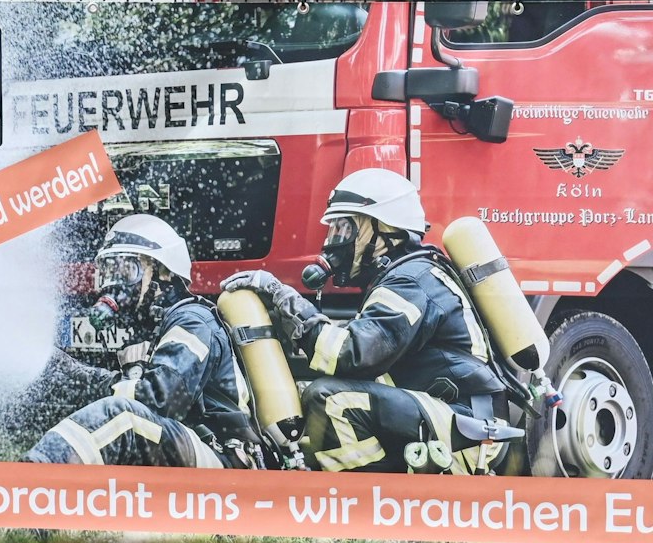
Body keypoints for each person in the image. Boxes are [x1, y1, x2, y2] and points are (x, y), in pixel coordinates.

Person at [221, 168, 519, 475]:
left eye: (345, 229)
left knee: (334, 401)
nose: (335, 242)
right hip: (450, 416)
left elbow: (348, 354)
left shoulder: (411, 282)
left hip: (466, 430)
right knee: (321, 395)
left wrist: (284, 299)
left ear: (384, 229)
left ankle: (364, 501)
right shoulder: (404, 276)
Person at [27, 214, 256, 468]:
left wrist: (79, 375)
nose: (116, 284)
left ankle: (31, 482)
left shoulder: (192, 321)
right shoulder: (157, 326)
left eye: (127, 271)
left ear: (163, 272)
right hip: (196, 445)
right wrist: (70, 373)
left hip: (226, 457)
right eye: (110, 271)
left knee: (120, 417)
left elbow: (160, 401)